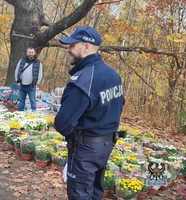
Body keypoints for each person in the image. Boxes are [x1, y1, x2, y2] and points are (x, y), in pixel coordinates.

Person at [54, 26, 125, 200]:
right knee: (94, 192)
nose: (68, 49)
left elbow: (63, 123)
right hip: (106, 145)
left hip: (85, 148)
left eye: (72, 45)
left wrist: (78, 133)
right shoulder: (113, 74)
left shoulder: (83, 79)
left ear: (86, 47)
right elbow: (118, 106)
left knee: (80, 194)